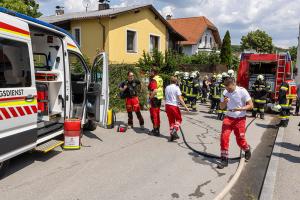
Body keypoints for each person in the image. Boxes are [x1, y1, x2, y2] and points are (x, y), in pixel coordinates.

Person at [218, 77, 253, 169]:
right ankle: (224, 159)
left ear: (234, 84)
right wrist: (224, 102)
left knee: (240, 139)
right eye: (226, 88)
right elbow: (221, 107)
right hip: (228, 118)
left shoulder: (242, 91)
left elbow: (251, 105)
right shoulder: (225, 92)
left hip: (240, 119)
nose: (228, 90)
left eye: (229, 88)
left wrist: (240, 108)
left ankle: (247, 149)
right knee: (224, 137)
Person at [165, 76, 189, 142]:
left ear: (170, 81)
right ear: (176, 81)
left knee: (171, 121)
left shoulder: (167, 87)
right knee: (179, 119)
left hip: (167, 105)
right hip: (174, 106)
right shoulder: (176, 88)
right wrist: (185, 107)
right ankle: (174, 130)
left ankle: (172, 135)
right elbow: (180, 99)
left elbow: (166, 97)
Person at [148, 68, 164, 136]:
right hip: (159, 98)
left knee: (154, 115)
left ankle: (155, 130)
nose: (149, 73)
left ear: (153, 72)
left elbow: (154, 90)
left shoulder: (154, 80)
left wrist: (150, 98)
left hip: (154, 98)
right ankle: (157, 129)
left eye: (150, 71)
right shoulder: (160, 78)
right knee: (157, 114)